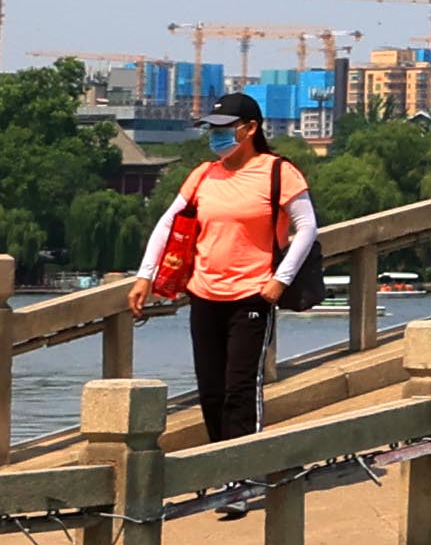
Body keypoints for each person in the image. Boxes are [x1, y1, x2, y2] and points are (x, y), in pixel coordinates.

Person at [132, 89, 314, 439]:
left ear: (249, 129)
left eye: (223, 127)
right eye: (211, 128)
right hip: (204, 294)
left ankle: (243, 476)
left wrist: (280, 280)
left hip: (252, 295)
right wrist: (145, 276)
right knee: (211, 390)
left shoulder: (278, 172)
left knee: (240, 390)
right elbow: (168, 222)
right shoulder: (204, 174)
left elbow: (307, 227)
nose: (215, 135)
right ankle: (219, 466)